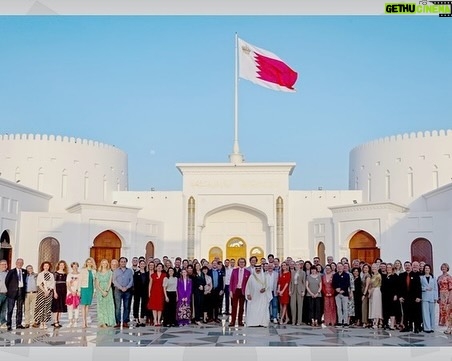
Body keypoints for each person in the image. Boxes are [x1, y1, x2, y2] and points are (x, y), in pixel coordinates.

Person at [398, 261, 422, 333]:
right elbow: (399, 287)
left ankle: (417, 327)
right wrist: (400, 297)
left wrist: (418, 297)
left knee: (415, 313)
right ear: (404, 267)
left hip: (414, 298)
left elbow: (418, 287)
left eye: (409, 265)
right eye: (406, 265)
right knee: (406, 313)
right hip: (405, 298)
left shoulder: (415, 275)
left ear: (411, 266)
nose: (407, 267)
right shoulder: (401, 275)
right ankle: (407, 327)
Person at [5, 258, 27, 330]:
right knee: (10, 309)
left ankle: (19, 324)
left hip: (21, 292)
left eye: (21, 263)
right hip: (12, 292)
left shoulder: (24, 271)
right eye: (18, 262)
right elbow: (7, 281)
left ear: (23, 264)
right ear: (16, 263)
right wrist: (9, 290)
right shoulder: (11, 271)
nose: (20, 264)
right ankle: (9, 324)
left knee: (19, 309)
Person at [229, 257, 251, 327]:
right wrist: (231, 291)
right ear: (238, 263)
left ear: (245, 263)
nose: (242, 263)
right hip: (235, 290)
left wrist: (248, 292)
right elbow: (231, 281)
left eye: (243, 262)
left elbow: (249, 283)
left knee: (241, 307)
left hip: (243, 291)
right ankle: (232, 321)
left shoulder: (248, 272)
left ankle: (240, 321)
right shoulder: (234, 271)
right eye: (240, 262)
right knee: (234, 306)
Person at [113, 257, 134, 328]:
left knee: (127, 307)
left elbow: (131, 280)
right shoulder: (116, 271)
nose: (123, 263)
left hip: (127, 291)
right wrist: (121, 287)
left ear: (126, 262)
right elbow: (114, 281)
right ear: (119, 262)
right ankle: (118, 322)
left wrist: (127, 287)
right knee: (118, 307)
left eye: (124, 261)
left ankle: (125, 321)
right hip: (118, 290)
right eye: (121, 261)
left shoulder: (130, 271)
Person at [34, 261, 55, 329]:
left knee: (47, 307)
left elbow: (52, 284)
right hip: (41, 292)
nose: (46, 267)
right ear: (43, 267)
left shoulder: (51, 275)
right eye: (45, 266)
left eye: (47, 266)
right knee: (40, 307)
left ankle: (45, 323)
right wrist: (44, 291)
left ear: (49, 267)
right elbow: (39, 284)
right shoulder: (40, 274)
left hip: (49, 293)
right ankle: (40, 322)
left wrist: (48, 291)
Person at [95, 259, 116, 327]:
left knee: (108, 306)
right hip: (100, 291)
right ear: (101, 264)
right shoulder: (98, 273)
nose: (104, 264)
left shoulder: (110, 272)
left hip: (108, 290)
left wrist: (106, 291)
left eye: (105, 263)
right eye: (103, 263)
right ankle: (102, 322)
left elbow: (110, 282)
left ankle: (109, 321)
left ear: (107, 264)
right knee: (101, 306)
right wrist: (102, 291)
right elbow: (97, 284)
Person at [79, 257, 96, 328]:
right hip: (84, 288)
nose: (89, 263)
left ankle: (86, 321)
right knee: (83, 305)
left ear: (92, 263)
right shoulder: (83, 270)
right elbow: (80, 280)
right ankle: (83, 321)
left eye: (90, 262)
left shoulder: (94, 271)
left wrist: (94, 290)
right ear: (86, 263)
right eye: (88, 262)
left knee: (88, 306)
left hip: (90, 289)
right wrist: (79, 290)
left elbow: (94, 281)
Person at [333, 262, 351, 327]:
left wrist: (342, 289)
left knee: (345, 308)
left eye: (341, 266)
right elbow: (333, 283)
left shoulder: (346, 275)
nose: (339, 268)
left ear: (343, 267)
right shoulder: (335, 275)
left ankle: (345, 321)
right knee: (339, 308)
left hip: (344, 293)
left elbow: (347, 284)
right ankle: (340, 321)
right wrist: (336, 289)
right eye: (338, 267)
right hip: (337, 294)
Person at [51, 260, 68, 328]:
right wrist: (55, 292)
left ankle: (58, 320)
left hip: (63, 291)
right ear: (58, 265)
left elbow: (67, 283)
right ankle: (55, 321)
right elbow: (54, 283)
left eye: (63, 265)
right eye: (60, 265)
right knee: (56, 307)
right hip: (57, 290)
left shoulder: (66, 273)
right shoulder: (56, 273)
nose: (62, 266)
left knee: (61, 306)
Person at [420, 264, 437, 333]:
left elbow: (436, 288)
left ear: (430, 269)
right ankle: (427, 328)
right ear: (424, 269)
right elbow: (419, 287)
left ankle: (432, 327)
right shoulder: (421, 278)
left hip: (432, 297)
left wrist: (436, 297)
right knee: (425, 313)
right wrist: (425, 288)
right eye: (426, 268)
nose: (427, 269)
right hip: (425, 296)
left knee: (432, 313)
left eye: (428, 268)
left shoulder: (433, 278)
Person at [147, 262, 165, 326]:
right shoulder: (153, 275)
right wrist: (149, 292)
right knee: (154, 306)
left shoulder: (164, 275)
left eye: (160, 267)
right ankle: (155, 320)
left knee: (160, 307)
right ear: (156, 267)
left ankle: (159, 320)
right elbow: (150, 284)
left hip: (161, 292)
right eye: (158, 266)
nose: (159, 268)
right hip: (154, 292)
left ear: (162, 268)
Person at [132, 259, 149, 327]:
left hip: (145, 292)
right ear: (139, 265)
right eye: (141, 264)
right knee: (136, 304)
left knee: (143, 305)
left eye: (143, 264)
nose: (142, 265)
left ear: (145, 265)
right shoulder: (136, 273)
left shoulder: (147, 274)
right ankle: (136, 318)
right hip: (137, 291)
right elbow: (135, 283)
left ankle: (142, 318)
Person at [289, 261, 306, 326]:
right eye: (296, 265)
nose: (296, 266)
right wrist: (290, 290)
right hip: (293, 289)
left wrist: (303, 291)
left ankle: (299, 321)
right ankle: (293, 321)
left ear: (300, 266)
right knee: (292, 305)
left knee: (299, 305)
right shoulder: (292, 272)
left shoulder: (303, 273)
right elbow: (290, 282)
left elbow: (303, 282)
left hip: (300, 289)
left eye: (298, 265)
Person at [66, 261, 80, 327]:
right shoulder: (69, 275)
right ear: (72, 267)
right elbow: (68, 284)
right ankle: (70, 321)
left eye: (76, 266)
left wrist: (77, 291)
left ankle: (76, 321)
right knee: (70, 307)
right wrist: (71, 291)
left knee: (76, 306)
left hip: (77, 292)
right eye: (73, 266)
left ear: (77, 266)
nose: (75, 267)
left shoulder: (80, 274)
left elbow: (80, 284)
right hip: (70, 292)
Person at [368, 263, 383, 329]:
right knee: (373, 306)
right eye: (372, 267)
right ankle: (374, 321)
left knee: (376, 306)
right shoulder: (373, 275)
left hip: (376, 291)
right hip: (372, 291)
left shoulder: (378, 276)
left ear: (378, 268)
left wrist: (370, 293)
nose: (373, 268)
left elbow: (375, 285)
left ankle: (376, 322)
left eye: (375, 267)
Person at [0, 259, 8, 329]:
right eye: (2, 264)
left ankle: (3, 322)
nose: (4, 266)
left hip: (6, 294)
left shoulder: (8, 273)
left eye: (5, 264)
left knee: (4, 309)